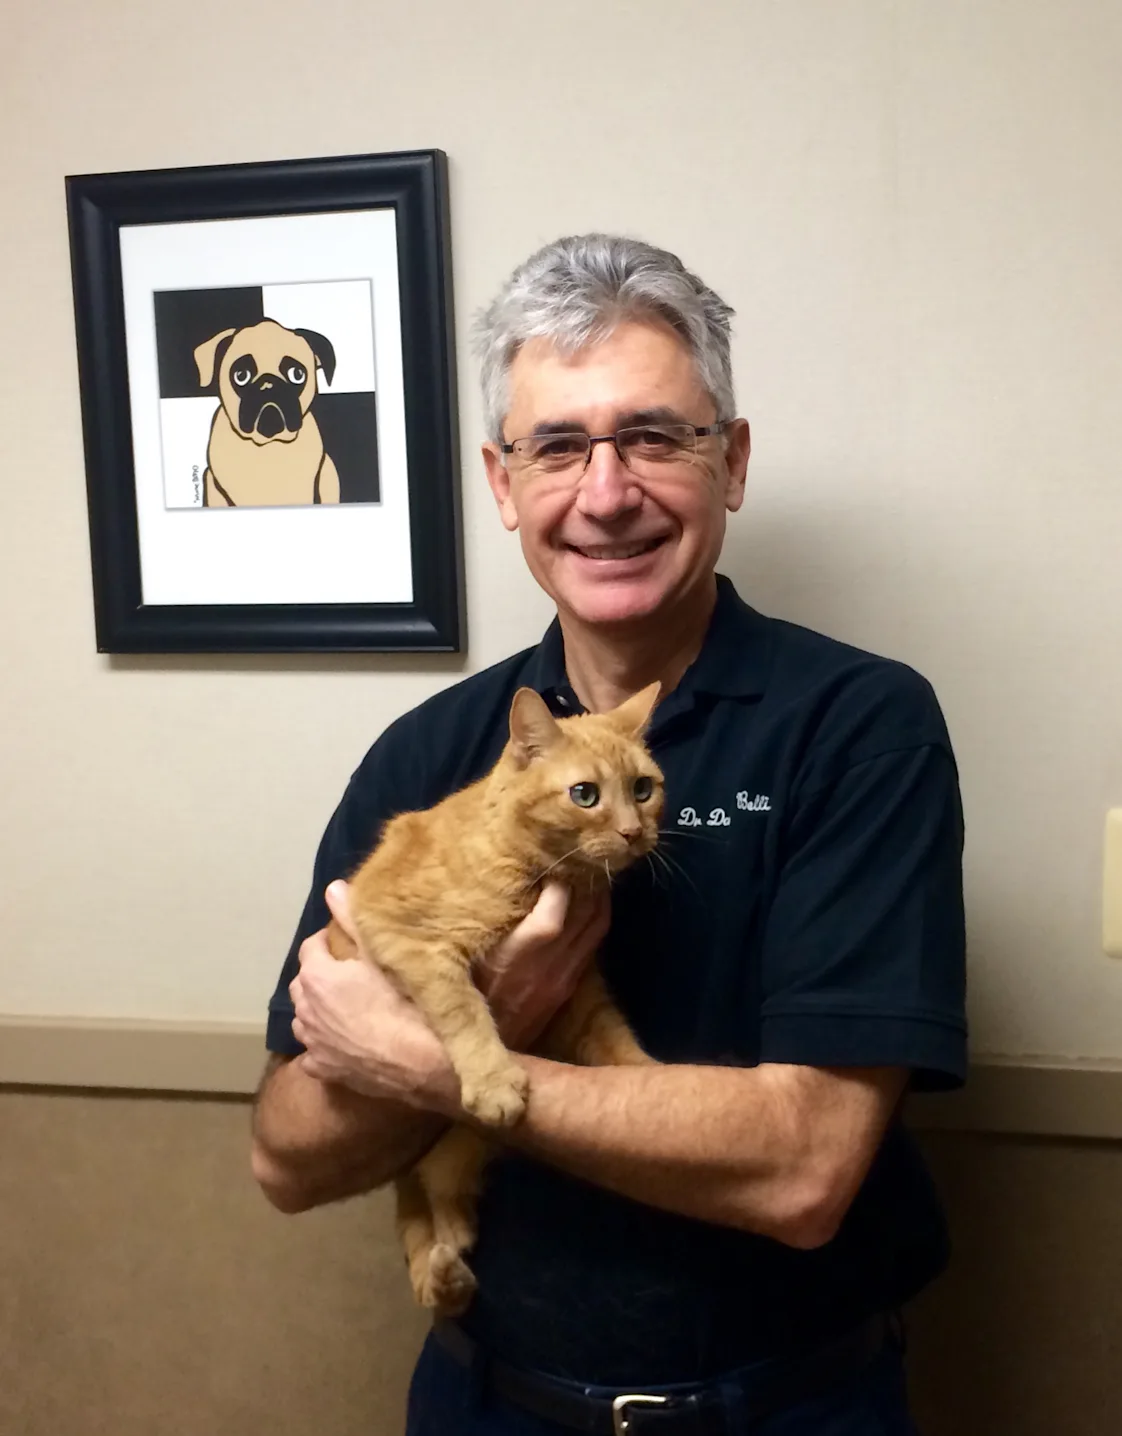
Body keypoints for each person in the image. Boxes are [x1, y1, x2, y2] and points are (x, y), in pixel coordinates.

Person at [251, 234, 966, 1435]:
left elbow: (806, 1171)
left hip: (788, 1404)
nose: (606, 491)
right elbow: (287, 1155)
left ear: (730, 462)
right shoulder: (431, 753)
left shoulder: (858, 724)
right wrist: (464, 1028)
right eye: (559, 445)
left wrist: (449, 1055)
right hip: (491, 1400)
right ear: (501, 481)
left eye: (654, 435)